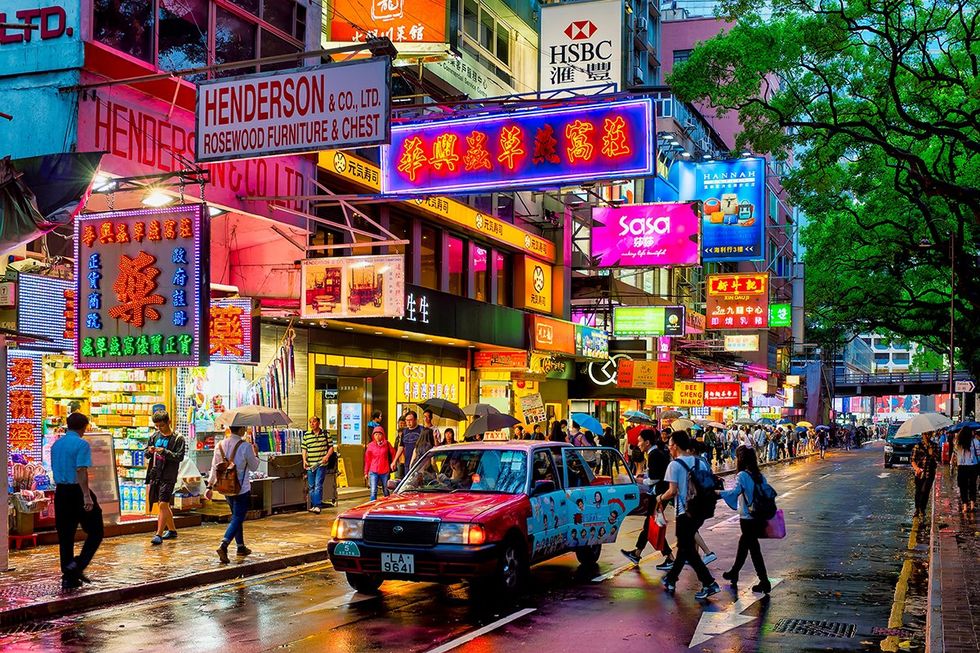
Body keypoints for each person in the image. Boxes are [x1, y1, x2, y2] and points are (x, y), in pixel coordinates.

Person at [657, 430, 720, 600]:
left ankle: (709, 583)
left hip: (685, 511)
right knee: (684, 547)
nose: (669, 448)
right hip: (702, 510)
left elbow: (672, 491)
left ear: (676, 446)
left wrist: (659, 498)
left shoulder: (674, 465)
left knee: (689, 550)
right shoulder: (700, 462)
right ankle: (671, 579)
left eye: (670, 445)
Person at [52, 412, 103, 590]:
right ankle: (77, 565)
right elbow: (81, 470)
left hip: (61, 492)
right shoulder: (81, 444)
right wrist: (86, 495)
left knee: (65, 535)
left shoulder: (56, 444)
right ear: (83, 427)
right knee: (96, 531)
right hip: (76, 491)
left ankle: (68, 575)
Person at [720, 446, 772, 594]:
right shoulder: (760, 476)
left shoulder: (742, 475)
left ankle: (764, 581)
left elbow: (735, 492)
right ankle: (734, 572)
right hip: (758, 516)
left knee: (754, 549)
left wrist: (719, 492)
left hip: (747, 518)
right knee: (744, 545)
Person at [207, 425, 260, 563]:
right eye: (244, 428)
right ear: (241, 430)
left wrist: (209, 486)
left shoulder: (219, 445)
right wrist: (256, 453)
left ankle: (240, 546)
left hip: (226, 487)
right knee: (238, 517)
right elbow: (254, 466)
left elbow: (214, 467)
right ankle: (223, 545)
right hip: (241, 489)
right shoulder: (246, 446)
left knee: (237, 517)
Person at [621, 429, 674, 567]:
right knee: (649, 525)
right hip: (659, 493)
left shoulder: (654, 454)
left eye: (640, 441)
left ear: (647, 442)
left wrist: (638, 480)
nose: (638, 444)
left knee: (651, 525)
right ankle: (637, 553)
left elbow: (654, 479)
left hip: (659, 495)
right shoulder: (655, 453)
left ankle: (669, 557)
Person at [145, 411, 186, 545]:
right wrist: (149, 451)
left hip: (169, 475)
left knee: (163, 503)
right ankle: (172, 530)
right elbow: (146, 454)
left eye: (161, 425)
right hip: (155, 474)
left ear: (168, 422)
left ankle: (159, 534)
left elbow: (179, 457)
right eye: (157, 426)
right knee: (162, 504)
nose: (159, 428)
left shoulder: (178, 438)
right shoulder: (154, 436)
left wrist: (164, 452)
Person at [302, 416, 336, 514]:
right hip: (310, 465)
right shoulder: (307, 435)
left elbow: (331, 448)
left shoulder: (325, 434)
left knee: (318, 484)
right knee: (311, 486)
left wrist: (327, 456)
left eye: (314, 422)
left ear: (319, 423)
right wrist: (304, 460)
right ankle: (314, 505)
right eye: (310, 422)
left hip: (321, 464)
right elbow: (304, 448)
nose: (312, 424)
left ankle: (317, 505)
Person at [911, 430, 940, 518]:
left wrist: (932, 453)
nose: (927, 436)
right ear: (922, 434)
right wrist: (916, 468)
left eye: (929, 434)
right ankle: (917, 509)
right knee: (918, 491)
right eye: (926, 434)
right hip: (920, 473)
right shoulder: (917, 446)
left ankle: (922, 509)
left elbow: (938, 458)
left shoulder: (934, 445)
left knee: (925, 491)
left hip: (930, 472)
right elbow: (912, 460)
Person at [364, 427, 396, 501]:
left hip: (385, 470)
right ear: (373, 436)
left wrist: (393, 463)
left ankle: (387, 503)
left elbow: (393, 453)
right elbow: (367, 460)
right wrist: (366, 472)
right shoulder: (370, 445)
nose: (377, 436)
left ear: (383, 435)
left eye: (379, 434)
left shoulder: (387, 444)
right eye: (376, 435)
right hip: (373, 470)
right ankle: (372, 505)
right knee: (373, 490)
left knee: (386, 489)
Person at [952, 427, 978, 513]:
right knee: (972, 485)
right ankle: (972, 505)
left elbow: (955, 454)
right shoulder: (975, 442)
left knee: (963, 487)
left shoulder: (957, 443)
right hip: (973, 466)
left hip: (962, 467)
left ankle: (965, 506)